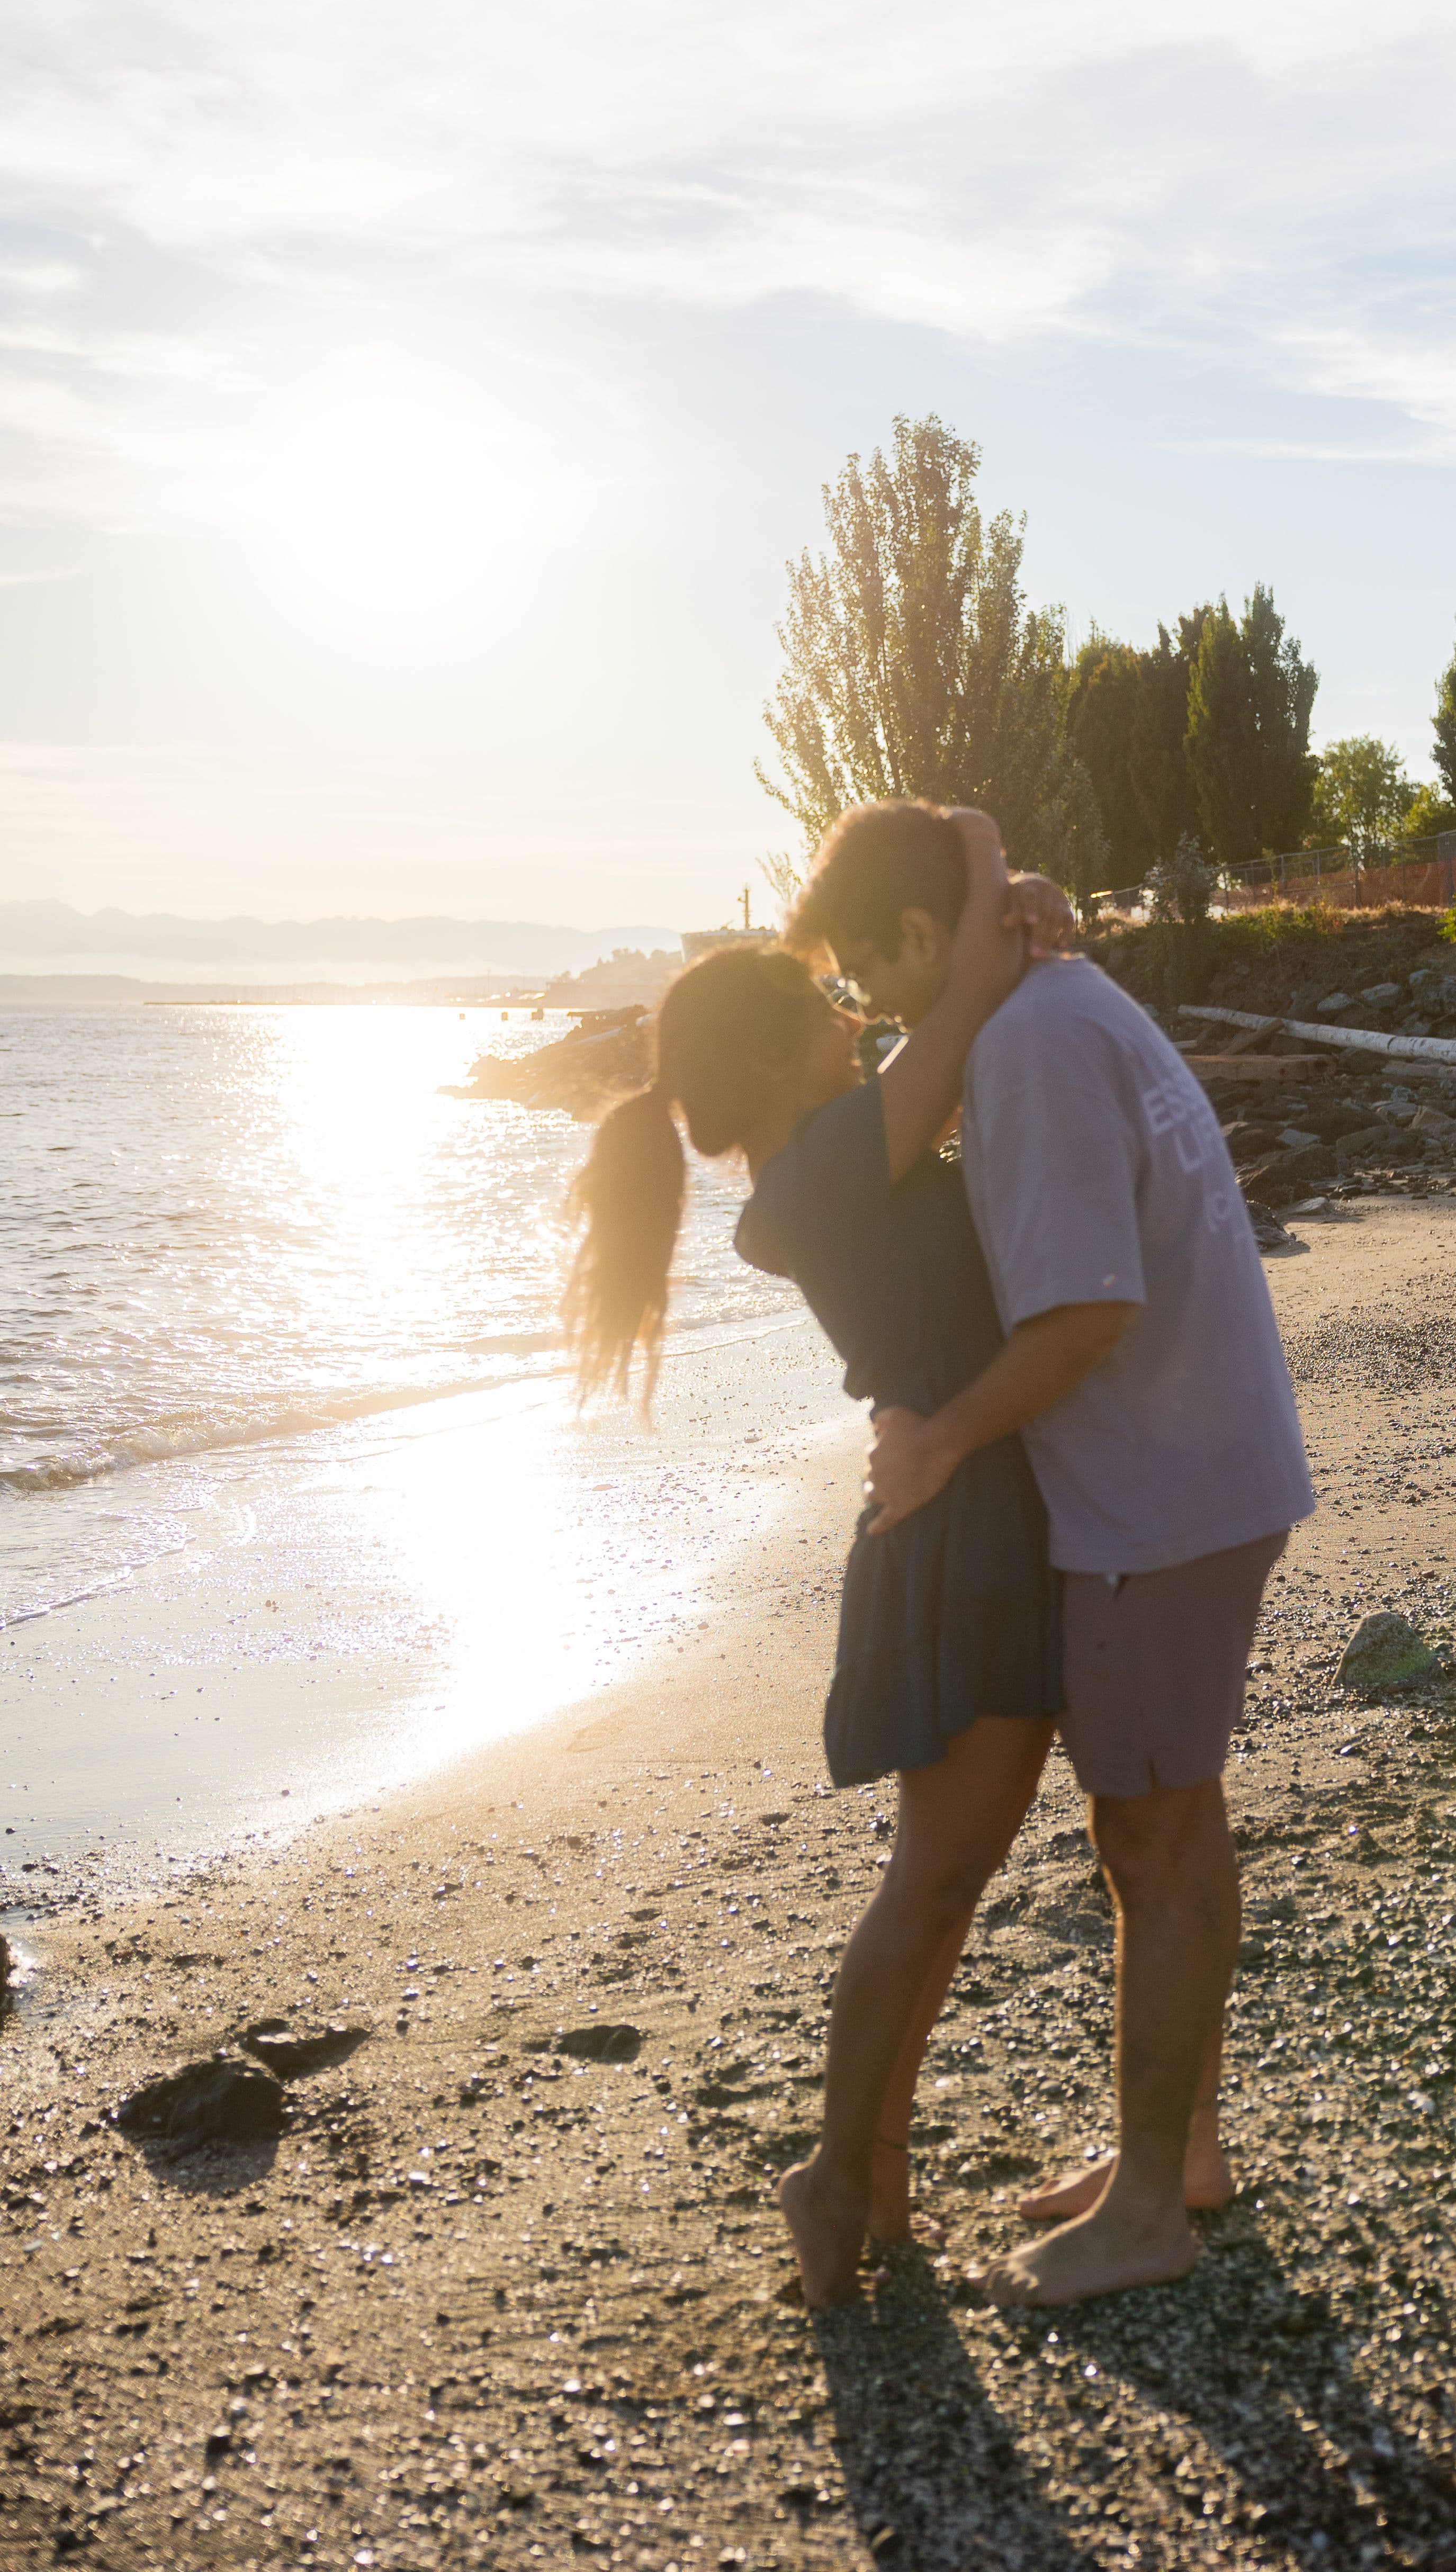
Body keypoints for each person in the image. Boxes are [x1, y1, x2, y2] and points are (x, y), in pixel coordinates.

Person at [786, 800, 1315, 2307]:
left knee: (1158, 1836)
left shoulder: (1023, 1044)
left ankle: (1154, 2210)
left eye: (874, 982)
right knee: (1154, 1829)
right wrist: (995, 878)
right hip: (1198, 1469)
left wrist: (942, 1437)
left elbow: (1087, 1313)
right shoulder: (1056, 999)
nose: (880, 1021)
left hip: (1159, 1494)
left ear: (914, 935)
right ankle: (1181, 2155)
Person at [564, 809, 1067, 2309]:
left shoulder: (820, 1175)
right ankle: (837, 2176)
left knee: (946, 1880)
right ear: (780, 1061)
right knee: (935, 1878)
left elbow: (975, 1022)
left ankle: (870, 2170)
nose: (856, 1022)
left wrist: (1005, 902)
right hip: (964, 1527)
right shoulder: (815, 1180)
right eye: (828, 1012)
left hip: (968, 1504)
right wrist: (988, 861)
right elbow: (971, 992)